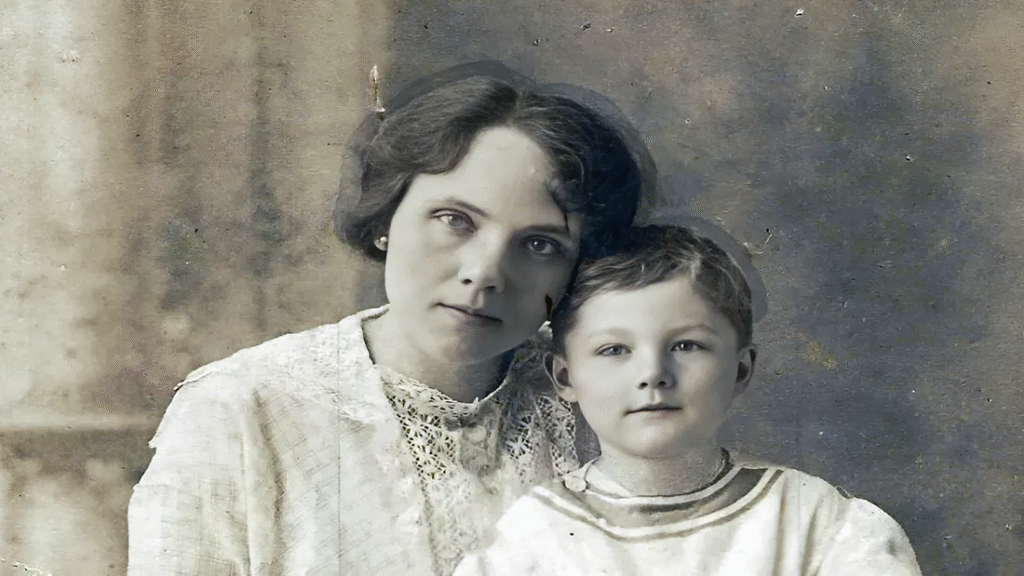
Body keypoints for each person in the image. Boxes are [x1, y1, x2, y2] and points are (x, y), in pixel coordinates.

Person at [126, 63, 649, 576]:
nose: (485, 273)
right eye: (455, 220)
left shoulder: (598, 398)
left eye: (539, 245)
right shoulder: (241, 410)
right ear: (385, 217)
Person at [453, 224, 923, 576]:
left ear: (741, 370)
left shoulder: (814, 520)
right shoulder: (534, 536)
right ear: (565, 376)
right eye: (614, 350)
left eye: (686, 345)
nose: (653, 374)